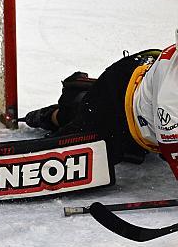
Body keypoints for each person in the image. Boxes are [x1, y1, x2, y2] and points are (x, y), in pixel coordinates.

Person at [22, 39, 178, 181]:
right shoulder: (169, 99)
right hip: (117, 103)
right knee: (63, 157)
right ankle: (63, 106)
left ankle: (81, 99)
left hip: (143, 77)